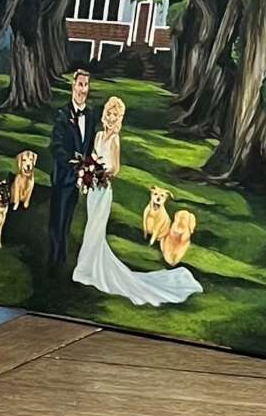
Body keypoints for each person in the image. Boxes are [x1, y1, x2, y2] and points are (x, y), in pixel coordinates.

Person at [71, 96, 202, 306]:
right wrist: (88, 170)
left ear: (119, 118)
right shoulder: (98, 136)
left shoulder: (115, 139)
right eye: (109, 114)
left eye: (115, 115)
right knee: (90, 226)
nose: (111, 118)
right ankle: (87, 267)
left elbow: (115, 168)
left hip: (104, 189)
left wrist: (100, 173)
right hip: (93, 189)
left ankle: (92, 270)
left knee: (96, 228)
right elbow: (93, 157)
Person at [47, 68, 97, 269]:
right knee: (57, 220)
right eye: (80, 85)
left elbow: (90, 145)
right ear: (73, 86)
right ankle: (53, 261)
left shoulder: (91, 116)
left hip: (78, 181)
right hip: (63, 178)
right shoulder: (62, 114)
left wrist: (89, 170)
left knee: (67, 220)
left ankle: (62, 258)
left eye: (86, 85)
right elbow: (56, 146)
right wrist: (73, 166)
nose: (82, 90)